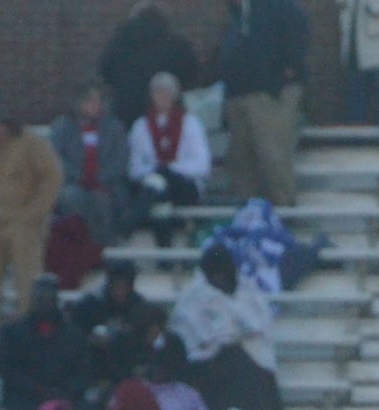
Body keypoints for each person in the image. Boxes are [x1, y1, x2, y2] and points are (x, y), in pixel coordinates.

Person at [0, 100, 62, 334]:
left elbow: (53, 178)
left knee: (27, 285)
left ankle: (27, 335)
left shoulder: (32, 143)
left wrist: (34, 213)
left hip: (24, 224)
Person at [170, 243, 286, 410]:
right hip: (205, 364)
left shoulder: (249, 293)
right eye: (214, 273)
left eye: (222, 273)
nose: (219, 279)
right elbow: (185, 335)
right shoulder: (192, 298)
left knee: (251, 369)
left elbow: (260, 331)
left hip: (246, 361)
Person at [218, 0, 309, 209]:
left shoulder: (278, 7)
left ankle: (283, 210)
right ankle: (250, 213)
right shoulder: (238, 13)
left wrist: (280, 78)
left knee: (272, 154)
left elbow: (298, 33)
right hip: (238, 93)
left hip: (268, 94)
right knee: (242, 158)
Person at [124, 71, 211, 247]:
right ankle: (165, 257)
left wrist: (169, 169)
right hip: (154, 187)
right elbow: (134, 168)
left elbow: (202, 165)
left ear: (174, 96)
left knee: (160, 181)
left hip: (184, 186)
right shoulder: (140, 126)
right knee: (160, 197)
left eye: (166, 93)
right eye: (158, 92)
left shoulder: (191, 123)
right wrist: (159, 172)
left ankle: (131, 222)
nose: (162, 97)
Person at [0, 273, 95, 410]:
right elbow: (6, 368)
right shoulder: (12, 332)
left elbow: (84, 370)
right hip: (24, 401)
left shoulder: (74, 334)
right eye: (40, 299)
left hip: (65, 400)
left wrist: (65, 392)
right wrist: (35, 389)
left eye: (49, 298)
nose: (44, 304)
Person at [98, 1, 202, 138]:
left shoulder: (120, 41)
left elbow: (104, 70)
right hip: (165, 112)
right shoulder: (175, 43)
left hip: (126, 109)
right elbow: (192, 73)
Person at [50, 83, 132, 246]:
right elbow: (55, 158)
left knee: (102, 200)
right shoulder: (63, 127)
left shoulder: (114, 127)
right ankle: (81, 243)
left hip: (107, 184)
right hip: (74, 182)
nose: (95, 106)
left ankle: (104, 245)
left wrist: (100, 178)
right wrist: (79, 177)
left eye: (98, 101)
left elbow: (120, 159)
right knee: (70, 197)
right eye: (90, 101)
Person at [72, 259, 171, 381]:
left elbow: (150, 340)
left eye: (125, 286)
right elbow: (74, 336)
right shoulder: (90, 306)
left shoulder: (139, 307)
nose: (120, 292)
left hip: (128, 366)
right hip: (95, 364)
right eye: (116, 286)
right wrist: (90, 340)